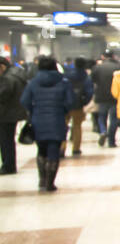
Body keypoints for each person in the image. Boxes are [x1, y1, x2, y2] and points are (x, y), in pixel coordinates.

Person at [20, 56, 76, 192]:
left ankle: (42, 180)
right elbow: (70, 102)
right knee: (53, 151)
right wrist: (62, 110)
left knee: (41, 150)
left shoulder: (33, 82)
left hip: (38, 120)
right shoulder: (64, 82)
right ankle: (50, 183)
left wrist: (34, 110)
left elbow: (24, 100)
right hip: (57, 120)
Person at [0, 56, 27, 175]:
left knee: (6, 141)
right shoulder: (16, 73)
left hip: (6, 113)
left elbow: (3, 95)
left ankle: (8, 166)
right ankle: (9, 164)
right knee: (8, 140)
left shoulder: (7, 78)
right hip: (13, 112)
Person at [63, 57, 93, 156]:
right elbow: (89, 92)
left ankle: (62, 147)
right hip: (78, 104)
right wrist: (84, 102)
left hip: (65, 105)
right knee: (77, 126)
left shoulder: (67, 74)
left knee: (63, 126)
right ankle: (76, 149)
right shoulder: (86, 76)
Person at [92, 51, 120, 147]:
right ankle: (111, 141)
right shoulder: (118, 67)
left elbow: (93, 80)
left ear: (102, 57)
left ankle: (103, 131)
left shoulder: (97, 68)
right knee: (114, 119)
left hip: (101, 96)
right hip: (115, 97)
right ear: (113, 56)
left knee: (101, 117)